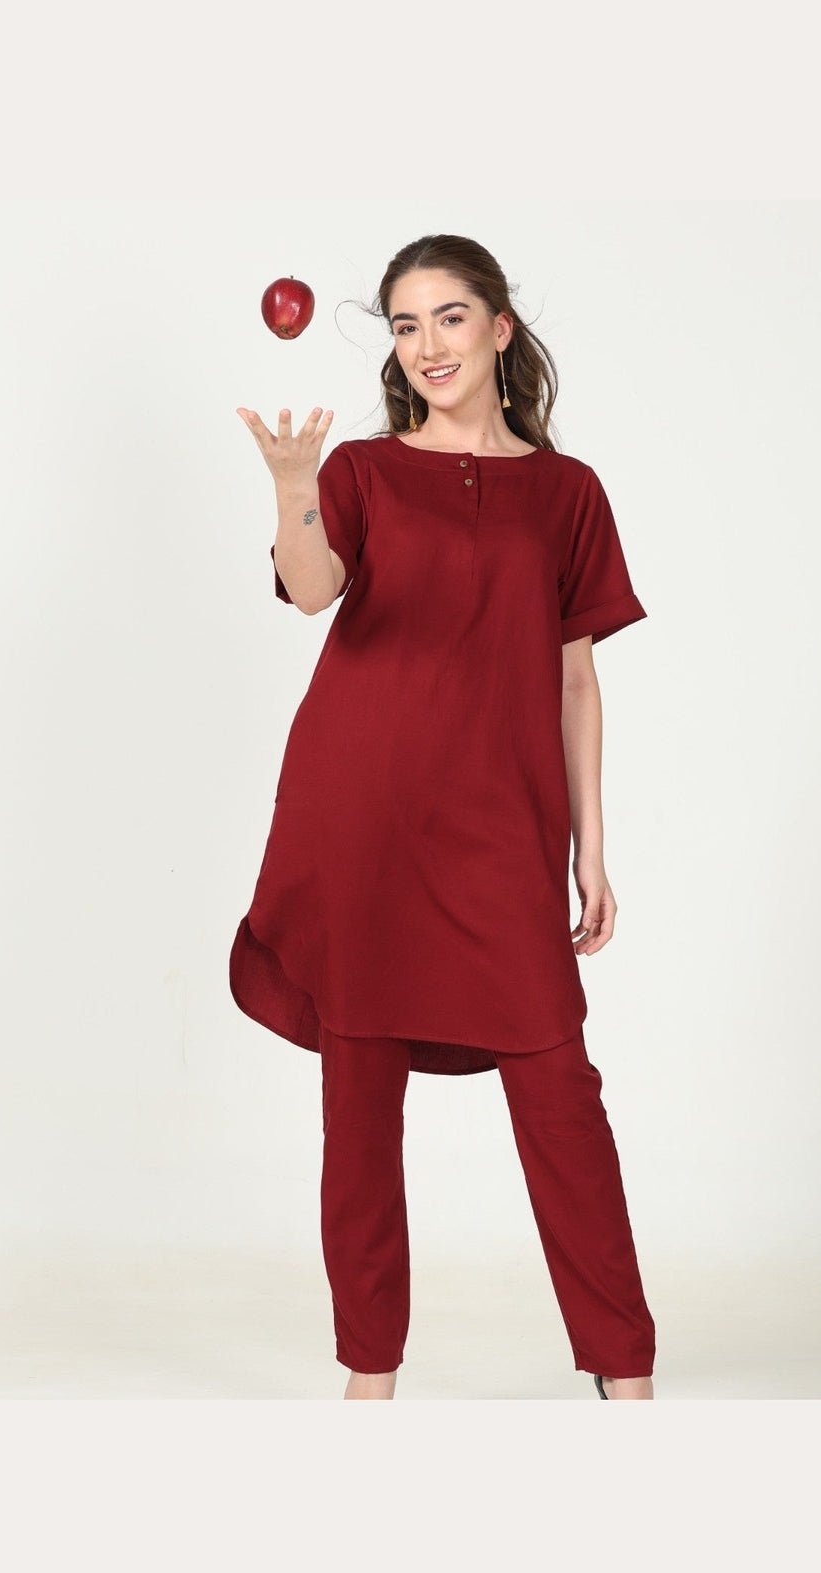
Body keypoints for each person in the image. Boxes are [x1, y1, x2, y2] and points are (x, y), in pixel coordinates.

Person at [230, 233, 656, 1401]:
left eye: (450, 318)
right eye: (407, 325)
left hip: (502, 828)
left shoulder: (567, 493)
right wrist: (294, 489)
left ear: (500, 329)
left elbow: (575, 679)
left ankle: (625, 1372)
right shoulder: (363, 474)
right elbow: (312, 590)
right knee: (361, 1100)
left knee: (559, 1093)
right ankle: (370, 1375)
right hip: (360, 815)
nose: (427, 345)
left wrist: (592, 848)